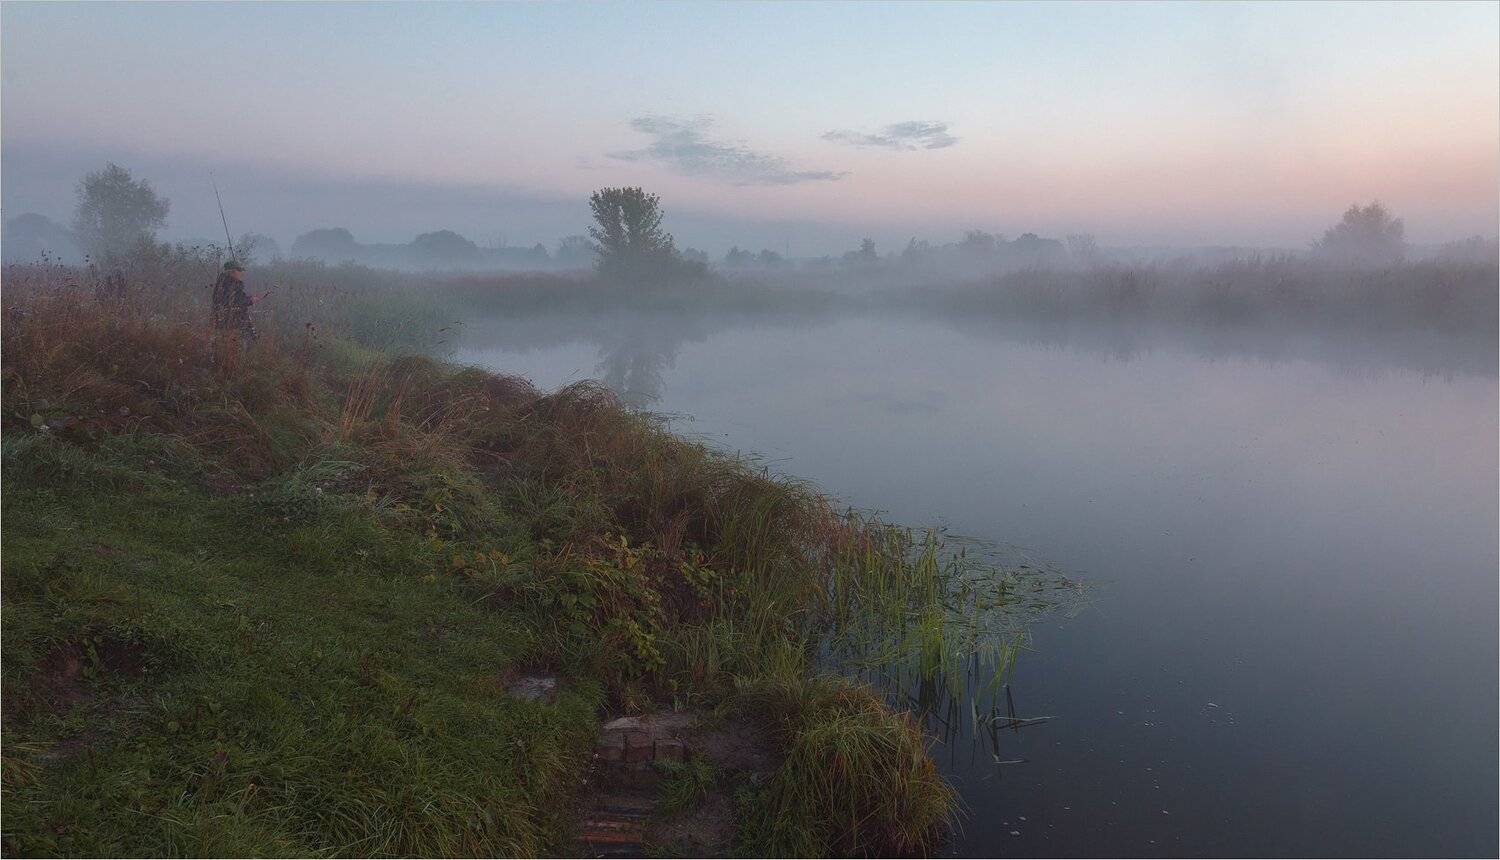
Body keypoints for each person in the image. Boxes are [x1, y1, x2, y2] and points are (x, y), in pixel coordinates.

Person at [210, 260, 271, 339]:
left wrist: (256, 297)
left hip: (229, 322)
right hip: (231, 323)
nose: (241, 273)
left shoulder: (226, 282)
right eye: (239, 270)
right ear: (232, 272)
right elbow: (235, 301)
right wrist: (251, 300)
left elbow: (238, 298)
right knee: (244, 343)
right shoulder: (229, 283)